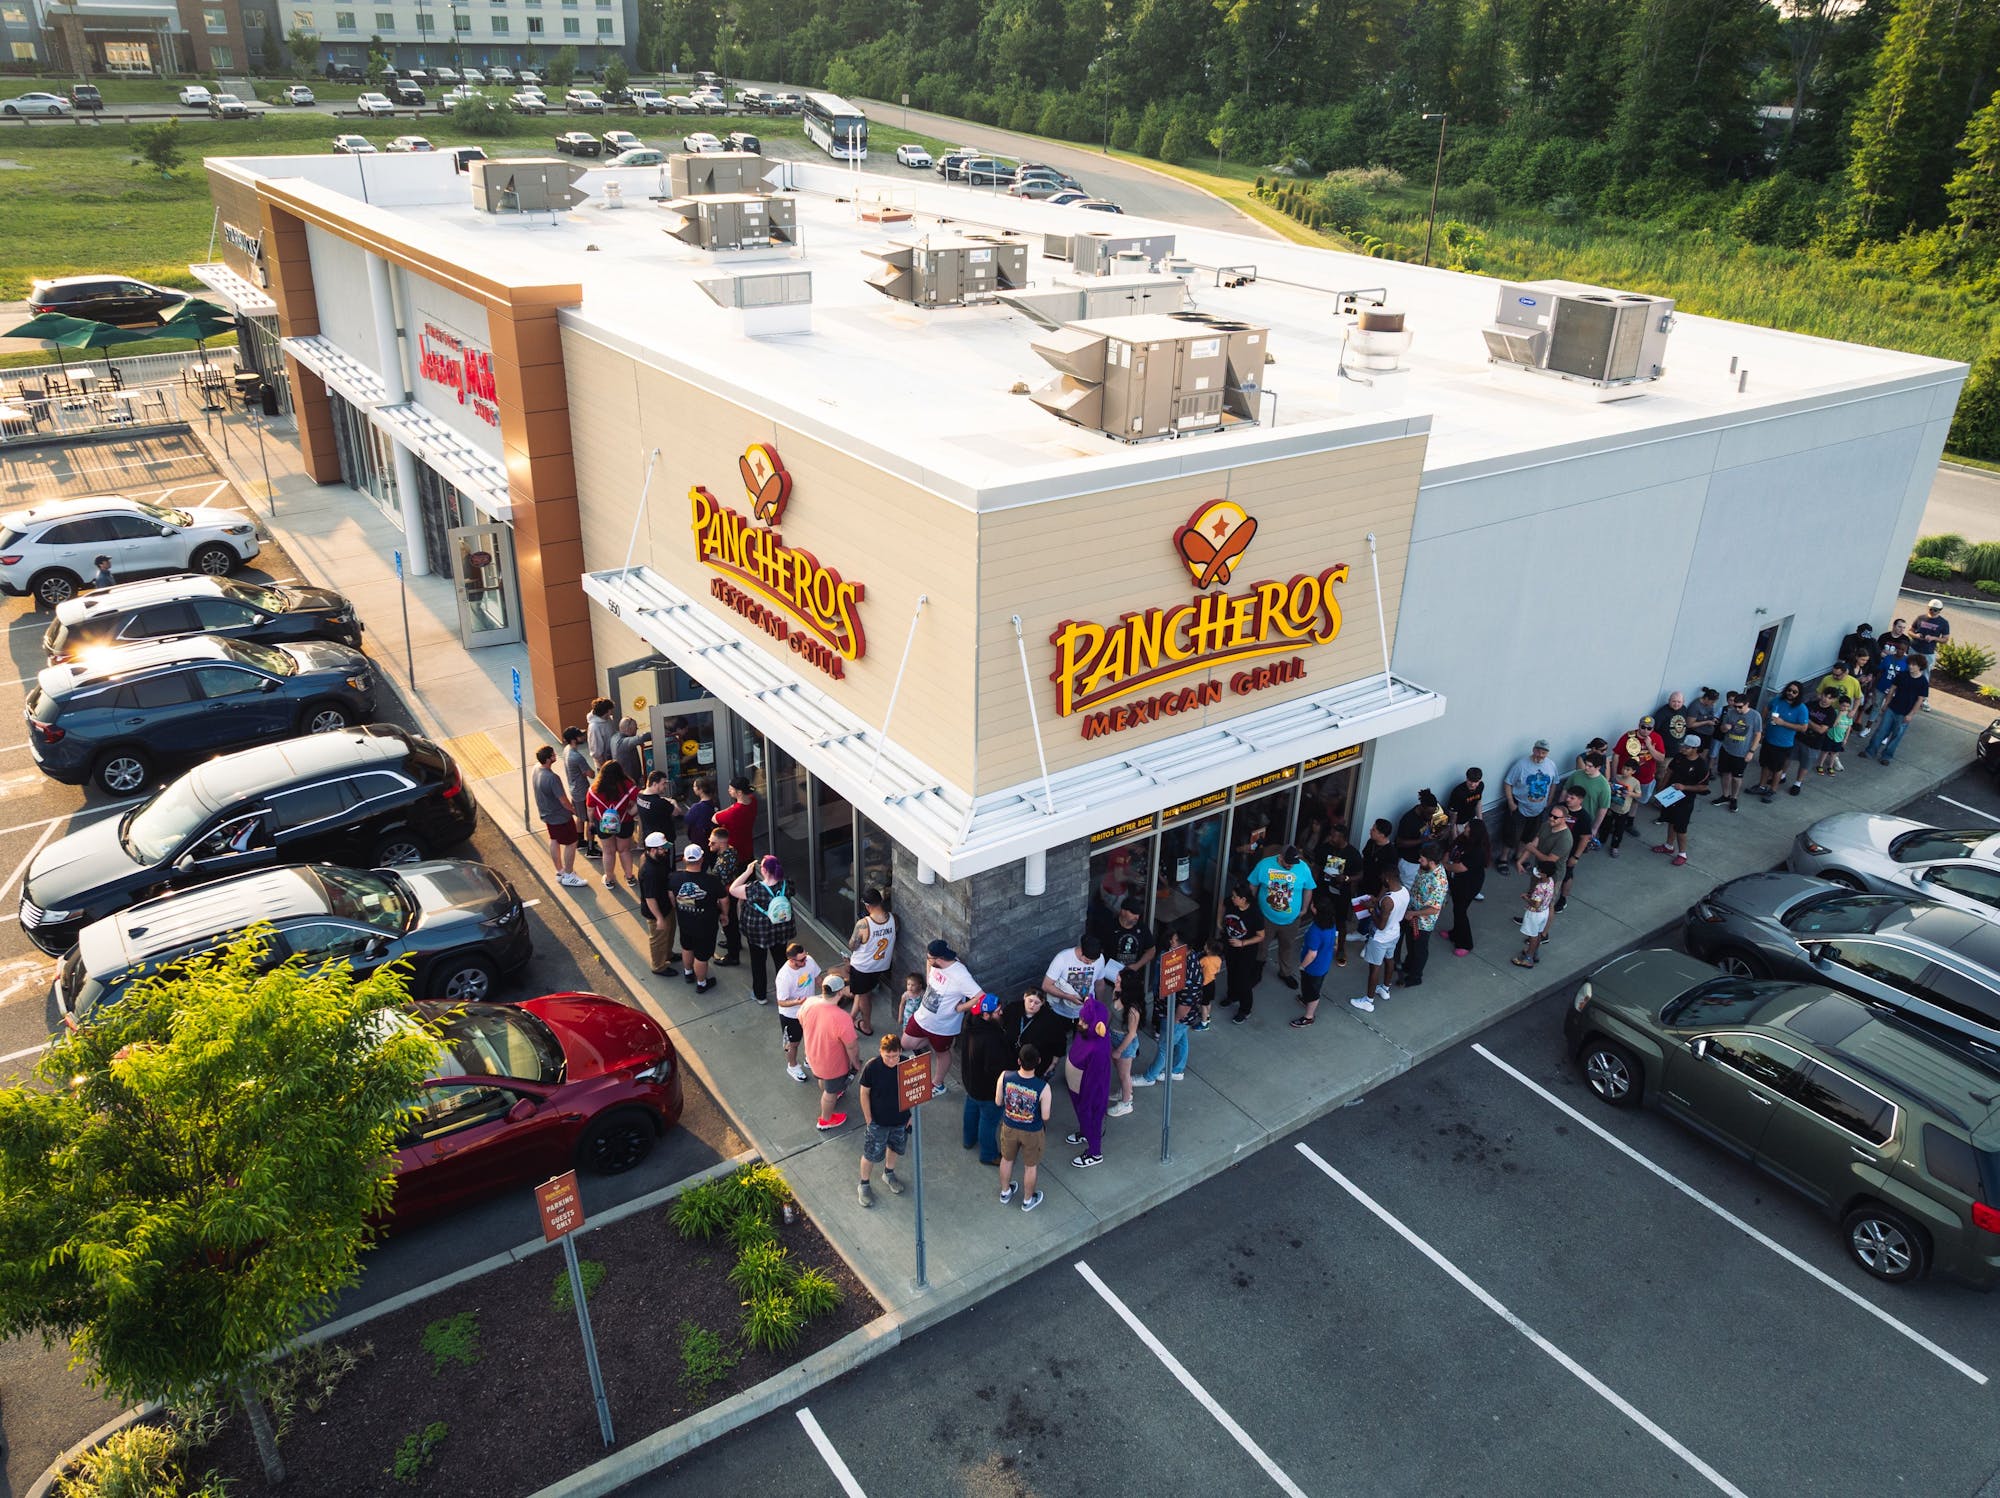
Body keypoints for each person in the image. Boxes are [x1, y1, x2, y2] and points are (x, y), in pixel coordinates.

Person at [909, 939, 984, 1097]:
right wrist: (929, 979)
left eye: (929, 958)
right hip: (922, 1017)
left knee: (941, 1054)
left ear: (939, 958)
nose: (927, 959)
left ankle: (938, 1084)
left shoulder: (960, 974)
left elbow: (981, 997)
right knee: (907, 1043)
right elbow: (928, 963)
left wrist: (960, 1008)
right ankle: (931, 1039)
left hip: (943, 1027)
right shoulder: (936, 963)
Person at [729, 854, 797, 1007]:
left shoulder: (755, 889)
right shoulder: (787, 884)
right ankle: (784, 992)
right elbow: (792, 892)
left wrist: (747, 872)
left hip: (758, 933)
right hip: (781, 930)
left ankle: (760, 995)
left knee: (758, 962)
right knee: (781, 961)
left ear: (764, 870)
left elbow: (733, 889)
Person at [1247, 844, 1315, 991]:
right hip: (1266, 918)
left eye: (1293, 863)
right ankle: (1256, 972)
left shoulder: (1303, 868)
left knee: (1287, 947)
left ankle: (1285, 973)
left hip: (1291, 920)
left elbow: (1308, 888)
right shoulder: (1264, 865)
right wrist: (1252, 907)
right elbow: (1253, 885)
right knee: (1261, 946)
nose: (1291, 866)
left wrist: (1304, 908)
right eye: (1288, 862)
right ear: (1280, 857)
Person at [856, 1031, 911, 1208]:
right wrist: (868, 1119)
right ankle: (864, 1185)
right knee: (870, 1154)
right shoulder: (872, 1067)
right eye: (888, 1056)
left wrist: (911, 1116)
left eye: (895, 1056)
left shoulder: (907, 1065)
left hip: (900, 1120)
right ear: (881, 1051)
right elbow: (864, 1093)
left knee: (894, 1148)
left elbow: (915, 1090)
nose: (892, 1060)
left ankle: (889, 1173)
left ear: (900, 1051)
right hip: (878, 1122)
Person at [997, 1044, 1052, 1212]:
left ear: (1019, 1061)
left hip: (1009, 1126)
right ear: (1038, 1061)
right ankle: (1028, 1200)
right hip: (1032, 1132)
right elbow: (1045, 1116)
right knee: (1030, 1166)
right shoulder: (1043, 1087)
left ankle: (1005, 1192)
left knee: (1006, 1159)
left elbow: (998, 1101)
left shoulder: (1005, 1076)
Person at [802, 973, 859, 1133]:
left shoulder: (809, 1003)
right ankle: (825, 1120)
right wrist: (856, 1063)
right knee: (830, 1092)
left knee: (823, 1080)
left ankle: (830, 1091)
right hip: (832, 1064)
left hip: (812, 1055)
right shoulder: (842, 1017)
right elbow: (852, 1046)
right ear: (840, 992)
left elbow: (801, 1020)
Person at [959, 994, 1010, 1165]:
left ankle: (968, 1140)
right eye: (997, 1012)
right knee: (988, 1122)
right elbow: (995, 1069)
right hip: (988, 1090)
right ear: (985, 1015)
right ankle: (989, 1155)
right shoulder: (991, 1039)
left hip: (970, 1082)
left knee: (971, 1111)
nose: (1001, 1013)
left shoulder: (969, 1025)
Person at [1064, 997, 1113, 1169]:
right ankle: (1085, 1132)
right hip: (1077, 1086)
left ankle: (1094, 1152)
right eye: (1081, 1019)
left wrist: (1086, 1101)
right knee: (1085, 1117)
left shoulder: (1098, 1049)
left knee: (1092, 1118)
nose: (1080, 1023)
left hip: (1088, 1092)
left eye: (1084, 1021)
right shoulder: (1087, 1032)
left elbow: (1094, 1080)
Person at [1136, 931, 1194, 1075]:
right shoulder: (1181, 957)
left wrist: (1173, 1021)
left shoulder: (1188, 970)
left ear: (1184, 946)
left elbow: (1185, 1004)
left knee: (1164, 1047)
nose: (1171, 942)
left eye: (1174, 940)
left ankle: (1150, 1076)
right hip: (1173, 1013)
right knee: (1181, 1041)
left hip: (1175, 1016)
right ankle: (1177, 1070)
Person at [670, 843, 725, 992]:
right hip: (705, 926)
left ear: (684, 859)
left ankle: (688, 972)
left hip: (685, 922)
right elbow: (724, 899)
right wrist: (724, 914)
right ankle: (702, 983)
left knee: (687, 947)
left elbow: (671, 896)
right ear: (701, 859)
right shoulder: (712, 880)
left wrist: (678, 908)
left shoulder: (674, 878)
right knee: (701, 957)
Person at [1351, 866, 1406, 1013]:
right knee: (1390, 960)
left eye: (1382, 878)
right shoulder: (1404, 891)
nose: (1381, 880)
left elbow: (1381, 925)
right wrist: (1376, 903)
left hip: (1380, 938)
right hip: (1394, 933)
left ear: (1388, 878)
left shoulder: (1388, 900)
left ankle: (1368, 1001)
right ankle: (1385, 989)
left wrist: (1371, 909)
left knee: (1374, 968)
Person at [1497, 740, 1557, 875]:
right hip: (1520, 806)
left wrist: (1550, 800)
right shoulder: (1521, 765)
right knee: (1511, 834)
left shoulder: (1551, 765)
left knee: (1529, 835)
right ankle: (1503, 858)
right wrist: (1511, 803)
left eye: (1544, 752)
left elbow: (1554, 783)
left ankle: (1518, 856)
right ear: (1533, 750)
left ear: (1547, 753)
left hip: (1539, 808)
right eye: (1538, 751)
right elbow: (1508, 783)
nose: (1540, 755)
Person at [1651, 735, 1711, 867]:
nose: (1682, 749)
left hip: (1685, 801)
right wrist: (1660, 791)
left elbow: (1704, 787)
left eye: (1686, 747)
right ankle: (1668, 845)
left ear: (1695, 748)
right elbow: (1668, 773)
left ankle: (1682, 854)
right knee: (1670, 821)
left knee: (1681, 828)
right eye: (1682, 746)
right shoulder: (1679, 757)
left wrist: (1684, 787)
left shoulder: (1701, 765)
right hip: (1670, 796)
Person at [533, 745, 586, 888]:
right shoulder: (552, 778)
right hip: (560, 817)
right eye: (552, 755)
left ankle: (560, 871)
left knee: (554, 839)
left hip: (547, 814)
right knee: (572, 842)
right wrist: (574, 811)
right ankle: (568, 875)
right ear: (548, 759)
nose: (555, 755)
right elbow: (563, 800)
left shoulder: (536, 769)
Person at [846, 888, 896, 1037]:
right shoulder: (894, 919)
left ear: (867, 906)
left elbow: (852, 945)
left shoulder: (863, 924)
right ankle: (851, 1017)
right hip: (880, 965)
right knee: (862, 991)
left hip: (862, 967)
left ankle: (866, 1026)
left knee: (864, 996)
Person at [1862, 654, 1929, 764]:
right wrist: (1886, 704)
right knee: (1881, 731)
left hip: (1905, 713)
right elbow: (1892, 689)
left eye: (1914, 665)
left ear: (1920, 666)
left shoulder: (1923, 682)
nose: (1910, 666)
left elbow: (1919, 700)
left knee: (1896, 736)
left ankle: (1886, 757)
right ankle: (1870, 751)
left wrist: (1911, 715)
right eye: (1910, 664)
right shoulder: (1902, 675)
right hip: (1892, 708)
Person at [1290, 891, 1342, 1028]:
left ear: (1316, 910)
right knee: (1311, 987)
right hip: (1324, 963)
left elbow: (1312, 954)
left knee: (1313, 992)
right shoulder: (1331, 922)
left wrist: (1302, 966)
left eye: (1313, 904)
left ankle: (1309, 1016)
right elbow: (1335, 941)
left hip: (1313, 967)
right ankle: (1306, 999)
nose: (1311, 905)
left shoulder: (1316, 930)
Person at [585, 760, 640, 890]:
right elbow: (639, 800)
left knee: (608, 852)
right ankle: (630, 877)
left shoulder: (594, 789)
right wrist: (631, 812)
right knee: (624, 850)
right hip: (625, 822)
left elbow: (590, 809)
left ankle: (609, 879)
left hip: (603, 823)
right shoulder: (629, 786)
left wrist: (591, 822)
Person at [1219, 883, 1266, 1023]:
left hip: (1246, 951)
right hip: (1230, 946)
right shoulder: (1231, 903)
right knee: (1231, 972)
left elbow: (1261, 936)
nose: (1232, 898)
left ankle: (1245, 1010)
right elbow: (1222, 905)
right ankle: (1232, 996)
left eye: (1235, 897)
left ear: (1243, 899)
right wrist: (1219, 922)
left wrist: (1242, 943)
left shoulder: (1255, 914)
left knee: (1243, 980)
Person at [1754, 682, 1810, 799]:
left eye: (1794, 692)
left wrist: (1783, 723)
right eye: (1789, 690)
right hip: (1768, 739)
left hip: (1783, 744)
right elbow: (1766, 708)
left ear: (1799, 694)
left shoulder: (1801, 708)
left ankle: (1773, 791)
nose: (1791, 693)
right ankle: (1761, 786)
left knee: (1777, 769)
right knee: (1765, 764)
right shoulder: (1778, 700)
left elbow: (1803, 728)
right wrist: (1762, 723)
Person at [774, 940, 821, 1080]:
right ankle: (792, 1066)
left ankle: (809, 1059)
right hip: (791, 1015)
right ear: (791, 960)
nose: (805, 961)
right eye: (801, 960)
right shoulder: (784, 976)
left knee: (811, 1036)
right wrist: (797, 1002)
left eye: (805, 956)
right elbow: (781, 1001)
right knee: (793, 1043)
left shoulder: (809, 961)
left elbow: (818, 978)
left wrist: (827, 989)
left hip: (809, 1009)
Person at [1402, 843, 1447, 987]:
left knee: (1419, 949)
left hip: (1423, 922)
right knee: (1410, 943)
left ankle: (1415, 977)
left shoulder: (1438, 881)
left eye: (1422, 859)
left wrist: (1413, 913)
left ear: (1432, 862)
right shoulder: (1425, 868)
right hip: (1412, 913)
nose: (1419, 861)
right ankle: (1408, 965)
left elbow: (1434, 909)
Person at [637, 831, 681, 976]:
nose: (666, 851)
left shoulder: (658, 858)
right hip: (657, 911)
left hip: (666, 905)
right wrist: (659, 918)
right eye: (662, 848)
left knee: (669, 933)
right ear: (653, 850)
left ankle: (668, 954)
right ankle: (659, 966)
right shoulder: (649, 872)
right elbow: (650, 898)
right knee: (658, 939)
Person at [1000, 986, 1069, 1078]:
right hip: (1012, 1059)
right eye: (1030, 1001)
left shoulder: (1050, 1019)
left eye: (1037, 1003)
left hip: (1037, 1063)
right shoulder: (1012, 1009)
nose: (1032, 1005)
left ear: (1042, 1003)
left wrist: (1053, 1064)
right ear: (1024, 997)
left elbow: (1060, 1041)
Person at [1042, 932, 1112, 1022]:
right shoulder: (1062, 958)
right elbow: (1046, 985)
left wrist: (1099, 1004)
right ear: (1081, 950)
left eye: (1094, 961)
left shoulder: (1100, 958)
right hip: (1061, 1012)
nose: (1090, 964)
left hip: (1086, 1011)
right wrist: (1068, 997)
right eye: (1087, 960)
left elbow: (1099, 983)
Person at [1446, 814, 1489, 956]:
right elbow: (1451, 849)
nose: (1465, 827)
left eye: (1468, 826)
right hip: (1457, 882)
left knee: (1460, 912)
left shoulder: (1477, 851)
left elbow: (1461, 867)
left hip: (1468, 885)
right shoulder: (1463, 839)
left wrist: (1444, 866)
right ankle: (1454, 933)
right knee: (1457, 909)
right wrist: (1446, 860)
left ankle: (1465, 943)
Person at [1710, 689, 1759, 811]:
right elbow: (1722, 729)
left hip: (1742, 752)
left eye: (1740, 707)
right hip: (1727, 748)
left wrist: (1751, 751)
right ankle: (1725, 795)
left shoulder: (1755, 716)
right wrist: (1725, 727)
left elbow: (1758, 734)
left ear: (1747, 704)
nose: (1737, 709)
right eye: (1735, 706)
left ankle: (1734, 798)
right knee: (1725, 774)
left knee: (1737, 778)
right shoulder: (1730, 713)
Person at [704, 823, 742, 966]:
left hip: (725, 895)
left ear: (721, 843)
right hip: (731, 891)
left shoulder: (723, 863)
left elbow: (720, 885)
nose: (709, 844)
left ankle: (733, 955)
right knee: (732, 922)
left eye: (712, 842)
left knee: (728, 923)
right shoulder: (731, 850)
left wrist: (717, 900)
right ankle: (735, 944)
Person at [1109, 966, 1144, 1117]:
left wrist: (1118, 1050)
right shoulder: (1117, 993)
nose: (1115, 982)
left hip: (1125, 1043)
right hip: (1113, 1036)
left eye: (1118, 981)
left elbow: (1131, 1034)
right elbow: (1111, 1013)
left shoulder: (1133, 1011)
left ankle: (1126, 1103)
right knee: (1120, 1070)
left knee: (1124, 1075)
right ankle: (1125, 1092)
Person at [1614, 717, 1666, 808]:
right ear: (1639, 726)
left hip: (1644, 779)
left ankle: (1631, 816)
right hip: (1625, 777)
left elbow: (1661, 758)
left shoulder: (1657, 737)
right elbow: (1616, 755)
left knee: (1636, 801)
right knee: (1619, 800)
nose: (1645, 730)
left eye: (1649, 728)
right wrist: (1614, 775)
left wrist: (1649, 746)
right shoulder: (1628, 736)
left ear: (1653, 728)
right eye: (1643, 727)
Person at [562, 726, 597, 860]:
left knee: (580, 817)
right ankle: (591, 848)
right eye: (580, 735)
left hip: (574, 791)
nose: (583, 737)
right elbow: (591, 774)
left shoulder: (566, 751)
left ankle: (580, 841)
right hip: (583, 792)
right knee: (590, 820)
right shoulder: (577, 757)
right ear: (574, 739)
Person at [1514, 866, 1554, 968]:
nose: (1538, 873)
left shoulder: (1540, 887)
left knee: (1533, 936)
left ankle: (1528, 958)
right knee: (1538, 933)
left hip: (1535, 914)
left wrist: (1526, 898)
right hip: (1544, 911)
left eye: (1540, 872)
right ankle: (1534, 952)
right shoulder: (1551, 881)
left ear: (1544, 874)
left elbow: (1536, 904)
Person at [714, 774, 759, 860]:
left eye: (731, 789)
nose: (728, 790)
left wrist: (730, 807)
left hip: (735, 853)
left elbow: (714, 818)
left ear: (739, 792)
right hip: (748, 847)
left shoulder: (734, 811)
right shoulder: (753, 800)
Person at [1604, 759, 1641, 856]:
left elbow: (1639, 795)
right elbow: (1611, 788)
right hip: (1611, 807)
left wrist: (1630, 793)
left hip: (1623, 810)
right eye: (1624, 768)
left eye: (1628, 769)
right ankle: (1602, 840)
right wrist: (1611, 786)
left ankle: (1615, 846)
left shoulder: (1635, 782)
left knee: (1619, 830)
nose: (1624, 771)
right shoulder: (1617, 777)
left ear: (1633, 771)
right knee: (1606, 825)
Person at [1911, 599, 1951, 684]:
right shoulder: (1920, 618)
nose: (1932, 611)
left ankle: (1922, 690)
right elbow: (1910, 631)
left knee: (1924, 674)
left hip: (1928, 652)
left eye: (1935, 610)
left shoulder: (1943, 623)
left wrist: (1934, 638)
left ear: (1940, 610)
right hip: (1914, 648)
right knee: (1909, 669)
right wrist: (1916, 635)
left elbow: (1945, 639)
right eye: (1931, 609)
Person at [611, 716, 651, 787]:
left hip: (625, 778)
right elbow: (642, 738)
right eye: (635, 728)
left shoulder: (614, 738)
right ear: (628, 729)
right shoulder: (623, 742)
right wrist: (657, 731)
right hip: (630, 781)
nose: (636, 731)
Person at [1445, 768, 1484, 837]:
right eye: (1470, 781)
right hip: (1459, 822)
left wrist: (1480, 822)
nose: (1472, 784)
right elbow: (1453, 815)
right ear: (1466, 778)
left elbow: (1478, 802)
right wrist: (1454, 837)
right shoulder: (1458, 792)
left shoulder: (1481, 786)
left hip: (1472, 818)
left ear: (1480, 780)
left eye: (1476, 782)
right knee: (1462, 841)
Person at [683, 777, 719, 847]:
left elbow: (687, 819)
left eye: (694, 786)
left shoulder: (697, 807)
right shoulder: (715, 802)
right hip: (713, 838)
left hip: (701, 840)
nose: (693, 788)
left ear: (701, 789)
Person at [586, 697, 619, 769]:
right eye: (611, 709)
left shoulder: (608, 719)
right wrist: (605, 767)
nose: (612, 711)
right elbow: (596, 752)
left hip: (613, 759)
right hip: (604, 765)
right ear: (607, 711)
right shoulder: (594, 727)